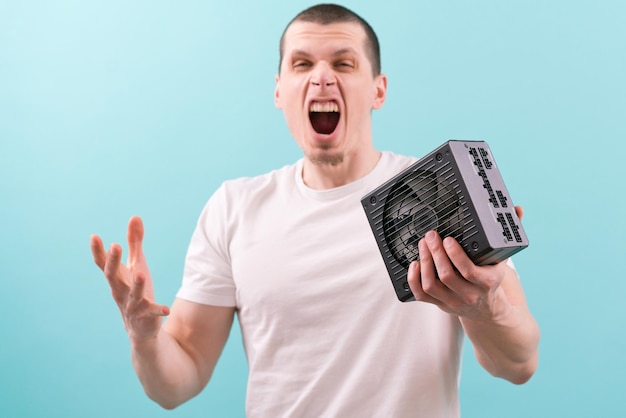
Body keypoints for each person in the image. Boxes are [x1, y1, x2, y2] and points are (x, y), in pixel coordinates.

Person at [90, 4, 540, 417]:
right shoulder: (234, 208)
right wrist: (145, 341)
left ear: (378, 90)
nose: (322, 77)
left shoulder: (443, 193)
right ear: (279, 91)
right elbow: (176, 383)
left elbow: (520, 363)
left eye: (344, 63)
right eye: (302, 63)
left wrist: (486, 308)